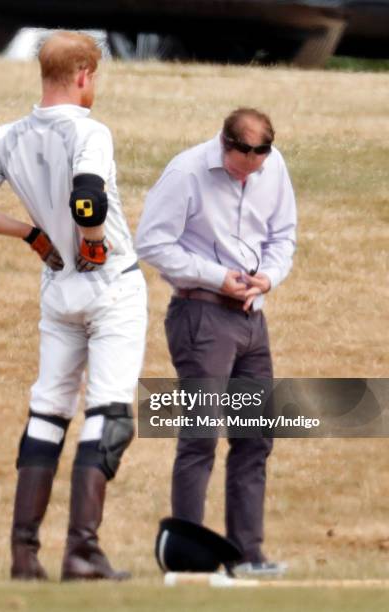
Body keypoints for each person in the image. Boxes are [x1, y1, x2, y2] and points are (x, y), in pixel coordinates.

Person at [0, 31, 147, 581]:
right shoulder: (91, 130)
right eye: (95, 75)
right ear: (83, 73)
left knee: (48, 412)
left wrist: (33, 235)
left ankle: (24, 556)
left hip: (57, 290)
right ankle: (82, 552)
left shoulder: (7, 135)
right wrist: (96, 241)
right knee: (109, 415)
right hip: (110, 286)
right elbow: (88, 198)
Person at [136, 108, 296, 575]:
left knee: (253, 439)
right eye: (238, 167)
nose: (247, 176)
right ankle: (189, 562)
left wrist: (268, 277)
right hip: (201, 315)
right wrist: (216, 277)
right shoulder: (186, 172)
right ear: (226, 144)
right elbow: (152, 243)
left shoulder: (274, 167)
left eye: (256, 168)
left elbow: (284, 235)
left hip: (252, 318)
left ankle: (247, 555)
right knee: (200, 437)